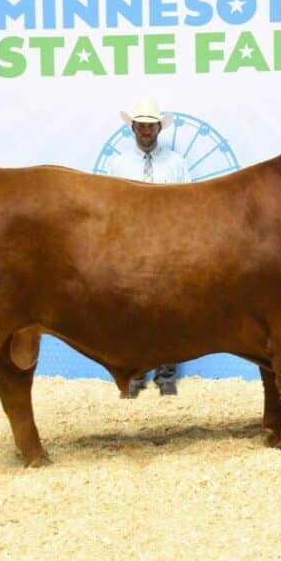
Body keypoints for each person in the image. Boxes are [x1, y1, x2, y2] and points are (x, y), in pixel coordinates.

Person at [108, 100, 191, 397]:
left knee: (170, 311)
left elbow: (189, 204)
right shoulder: (118, 163)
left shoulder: (176, 163)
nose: (146, 130)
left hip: (169, 245)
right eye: (141, 125)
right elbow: (110, 207)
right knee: (130, 311)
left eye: (150, 125)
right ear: (132, 128)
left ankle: (166, 375)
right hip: (130, 246)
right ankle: (133, 373)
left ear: (159, 127)